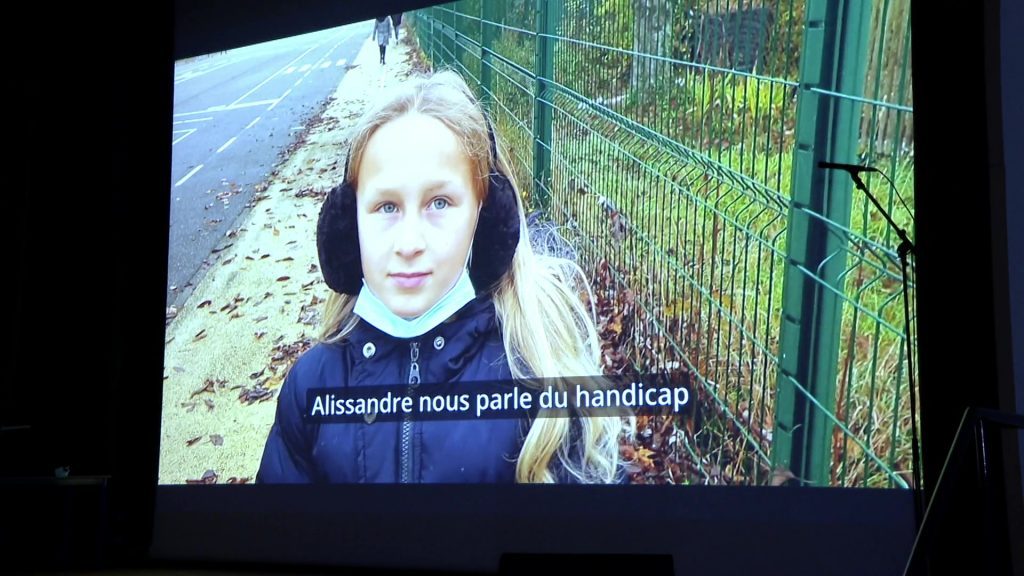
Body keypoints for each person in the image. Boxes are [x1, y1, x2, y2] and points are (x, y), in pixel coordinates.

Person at [256, 69, 631, 484]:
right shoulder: (309, 387)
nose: (409, 243)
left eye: (439, 202)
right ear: (347, 225)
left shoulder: (540, 379)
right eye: (386, 207)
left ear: (486, 218)